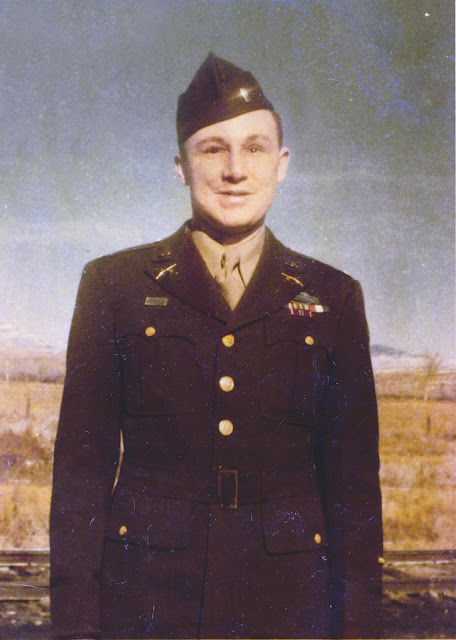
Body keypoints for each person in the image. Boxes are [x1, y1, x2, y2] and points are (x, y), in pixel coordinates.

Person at [50, 53, 383, 639]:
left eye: (254, 148)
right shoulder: (113, 285)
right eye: (212, 149)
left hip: (290, 603)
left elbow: (353, 484)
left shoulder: (333, 295)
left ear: (281, 164)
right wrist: (76, 626)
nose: (234, 170)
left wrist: (357, 629)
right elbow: (81, 473)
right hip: (149, 600)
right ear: (181, 166)